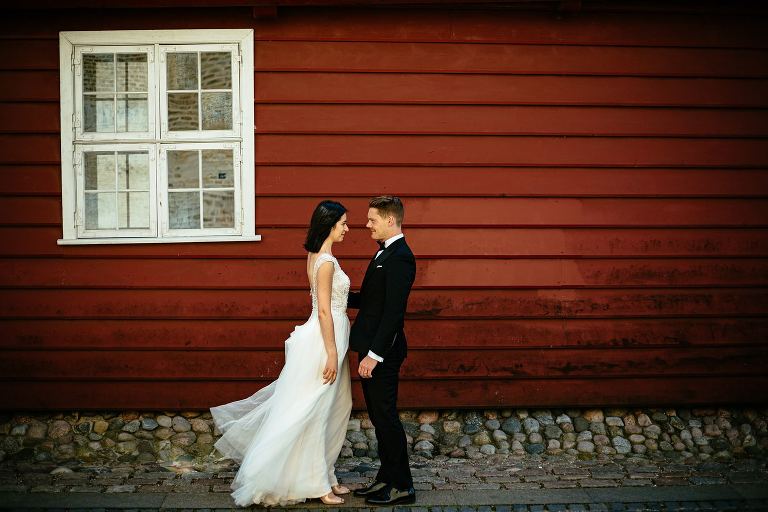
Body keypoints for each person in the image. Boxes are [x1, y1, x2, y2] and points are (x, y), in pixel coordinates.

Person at [210, 200, 353, 507]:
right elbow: (324, 311)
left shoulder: (315, 256)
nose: (347, 228)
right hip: (325, 339)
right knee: (316, 411)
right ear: (330, 225)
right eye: (343, 223)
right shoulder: (326, 262)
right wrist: (331, 352)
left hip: (328, 334)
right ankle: (317, 484)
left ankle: (327, 474)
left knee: (334, 407)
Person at [348, 196, 417, 505]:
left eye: (372, 219)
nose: (367, 225)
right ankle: (386, 478)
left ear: (390, 220)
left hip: (383, 354)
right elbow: (372, 301)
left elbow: (392, 313)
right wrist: (337, 294)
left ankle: (402, 486)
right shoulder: (384, 253)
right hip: (371, 348)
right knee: (379, 418)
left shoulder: (400, 257)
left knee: (387, 418)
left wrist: (374, 356)